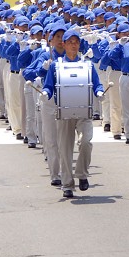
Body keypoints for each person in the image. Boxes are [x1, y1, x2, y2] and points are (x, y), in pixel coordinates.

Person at [40, 28, 104, 198]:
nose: (73, 45)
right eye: (70, 42)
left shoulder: (87, 65)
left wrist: (99, 92)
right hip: (64, 111)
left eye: (76, 42)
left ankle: (82, 174)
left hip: (84, 111)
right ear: (64, 44)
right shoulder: (56, 65)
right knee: (65, 149)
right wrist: (46, 93)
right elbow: (49, 85)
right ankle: (67, 184)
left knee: (86, 142)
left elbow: (97, 83)